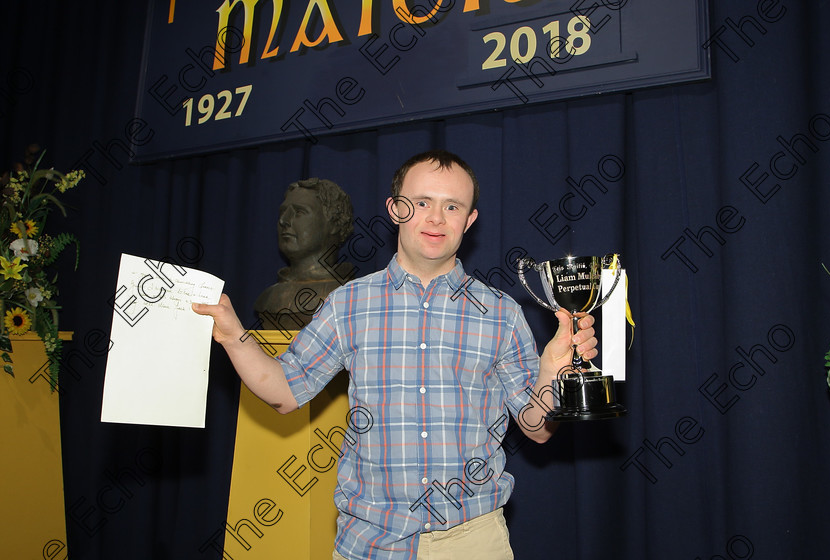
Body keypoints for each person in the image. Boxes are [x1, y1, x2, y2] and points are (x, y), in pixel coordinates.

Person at [193, 150, 599, 560]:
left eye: (452, 206)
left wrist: (550, 373)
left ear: (469, 221)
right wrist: (233, 336)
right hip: (369, 544)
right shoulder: (348, 303)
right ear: (395, 210)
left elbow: (537, 429)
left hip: (473, 543)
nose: (436, 218)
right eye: (422, 202)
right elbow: (284, 392)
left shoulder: (502, 313)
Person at [254, 177, 354, 328]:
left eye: (299, 212)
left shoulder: (349, 296)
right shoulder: (267, 299)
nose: (284, 220)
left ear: (334, 223)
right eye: (283, 212)